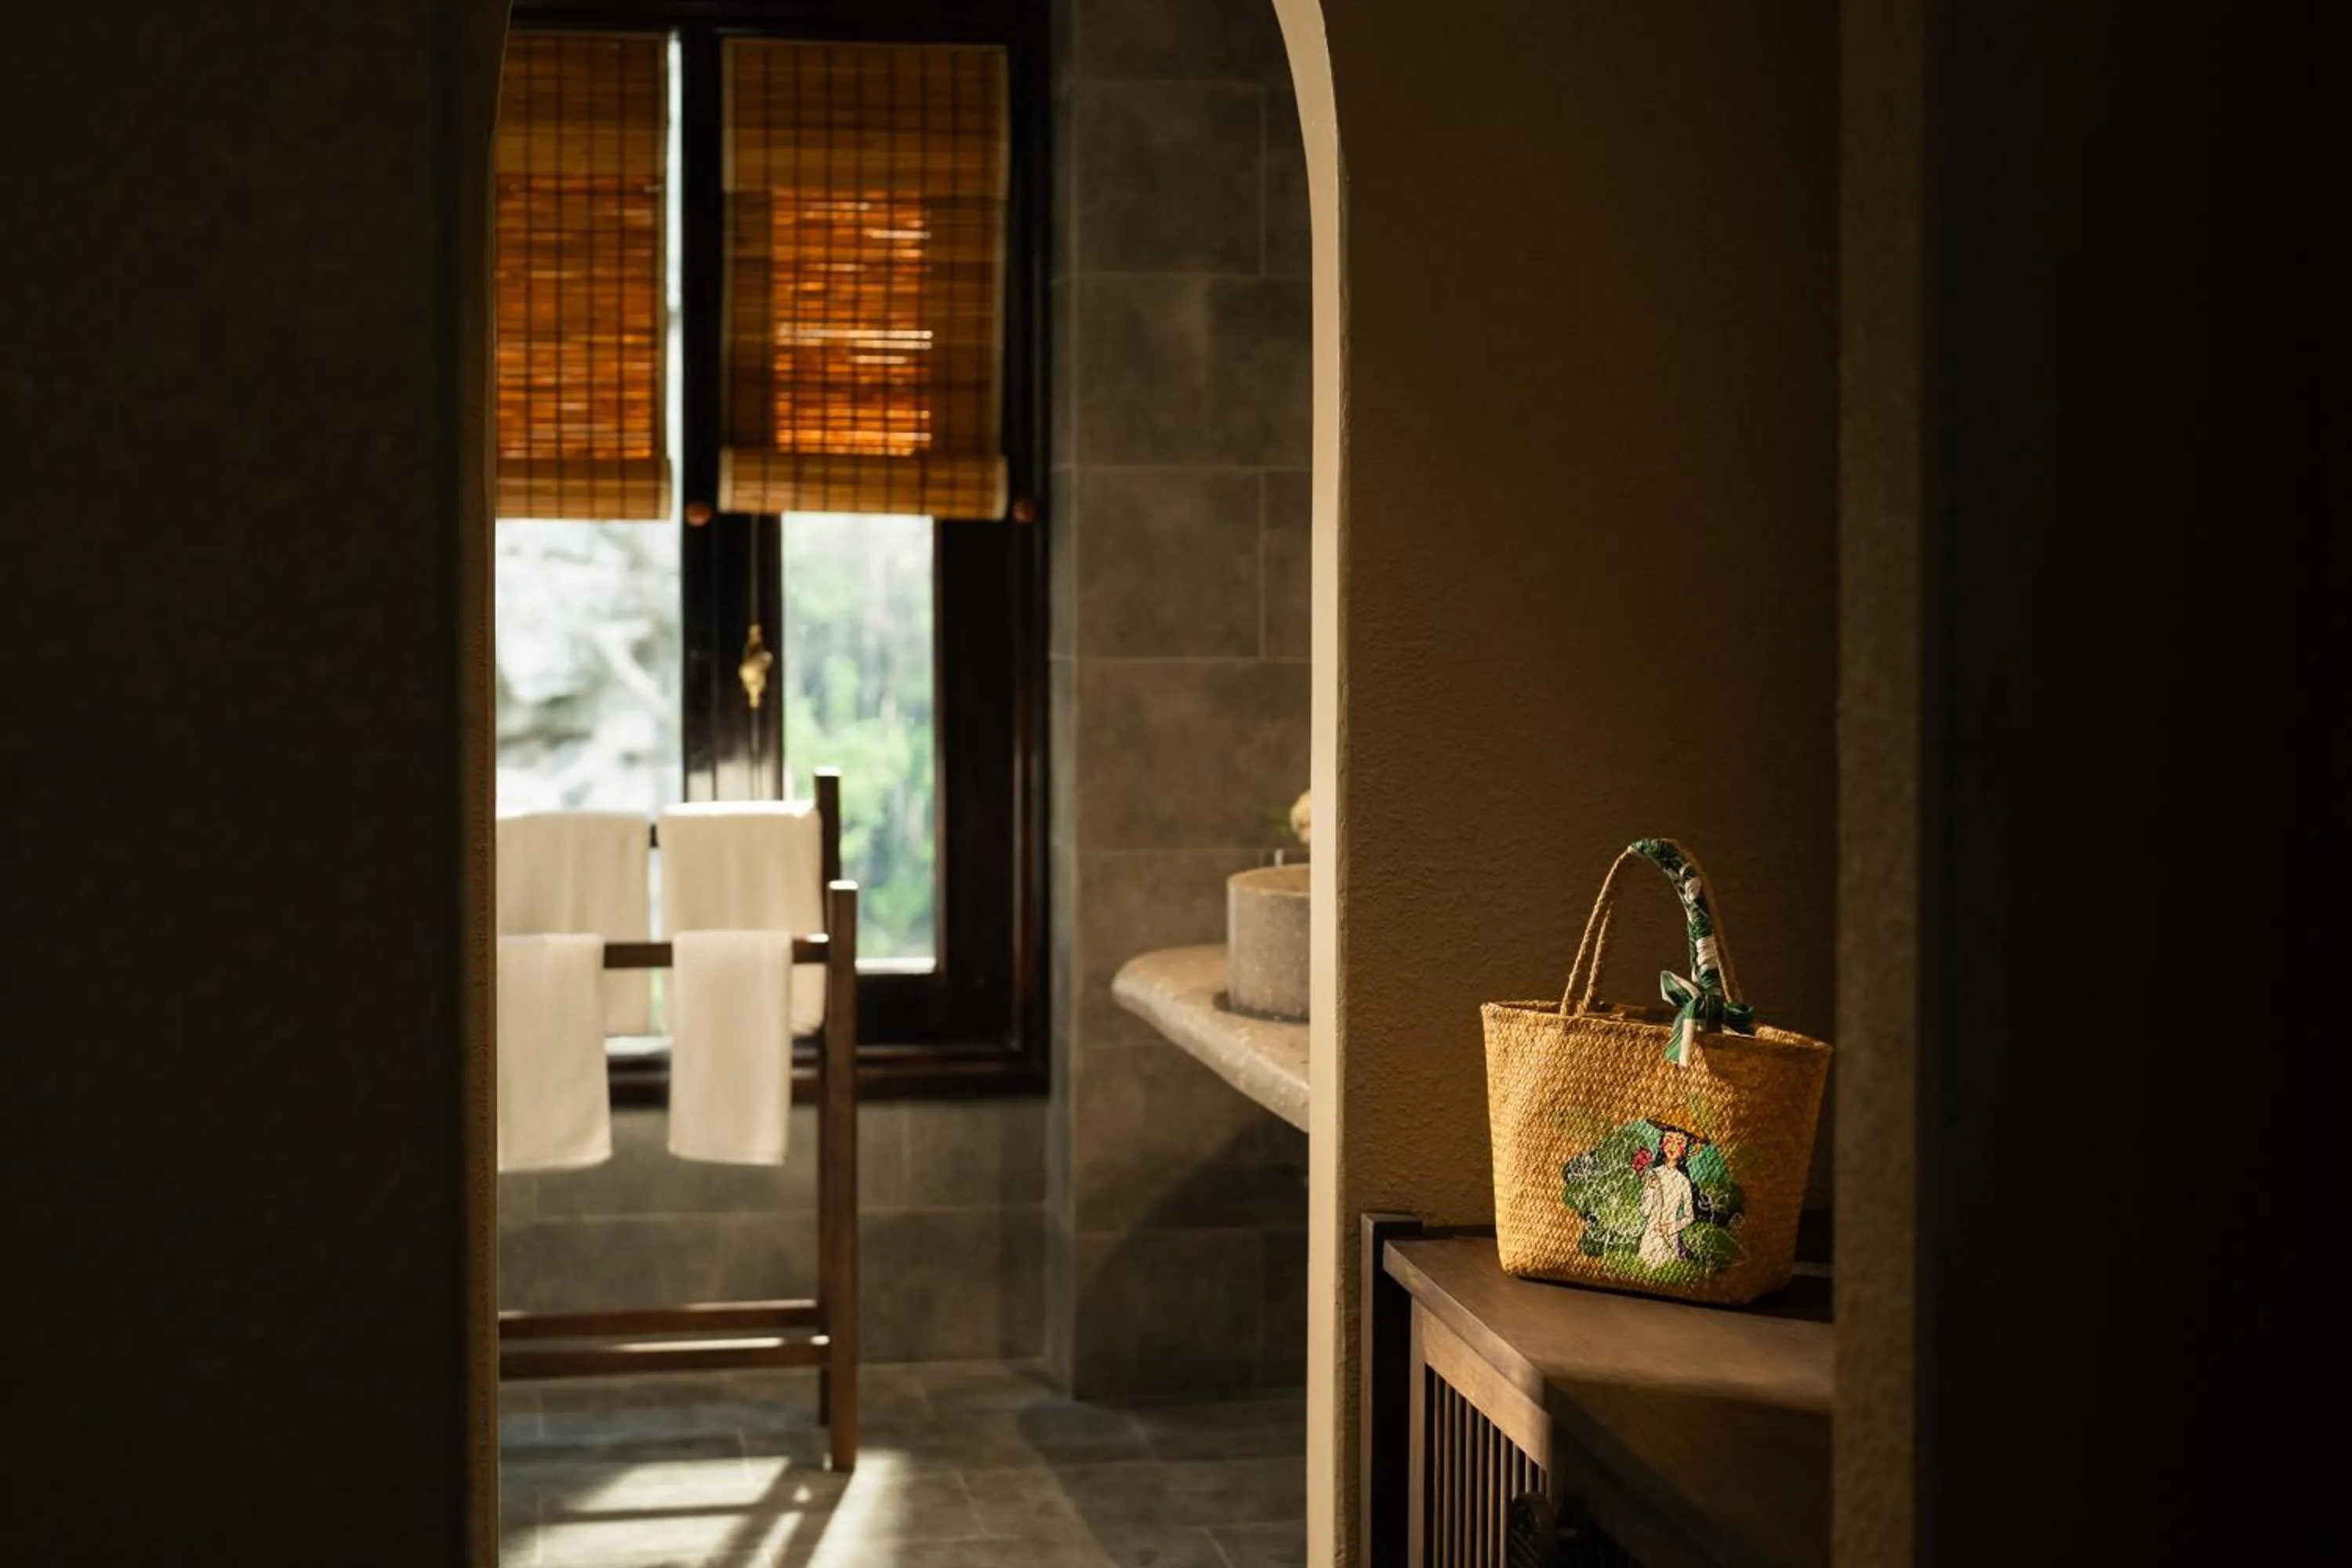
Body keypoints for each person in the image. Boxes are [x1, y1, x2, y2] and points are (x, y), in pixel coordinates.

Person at [1639, 1127, 1697, 1267]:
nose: (1672, 1147)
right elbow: (1644, 1211)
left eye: (1679, 1142)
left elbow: (1690, 1216)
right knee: (1643, 1266)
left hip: (1669, 1236)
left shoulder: (1683, 1181)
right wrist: (1650, 1190)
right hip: (1651, 1234)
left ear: (1685, 1149)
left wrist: (1671, 1228)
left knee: (1666, 1266)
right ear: (1662, 1144)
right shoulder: (1654, 1174)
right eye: (1669, 1140)